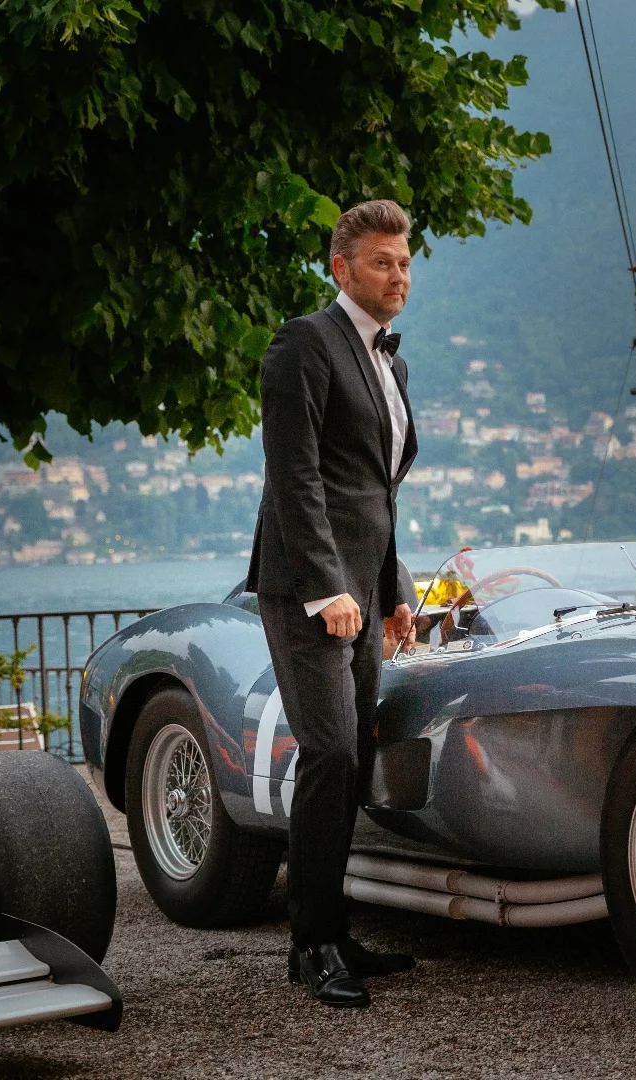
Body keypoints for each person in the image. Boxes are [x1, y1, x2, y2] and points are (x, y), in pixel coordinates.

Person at [245, 199, 421, 1008]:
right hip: (306, 590)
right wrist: (327, 588)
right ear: (341, 268)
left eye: (406, 261)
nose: (399, 276)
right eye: (382, 262)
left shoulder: (392, 362)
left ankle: (333, 925)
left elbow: (376, 492)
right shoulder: (304, 343)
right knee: (331, 757)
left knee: (350, 767)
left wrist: (393, 590)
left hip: (361, 593)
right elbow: (297, 477)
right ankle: (310, 944)